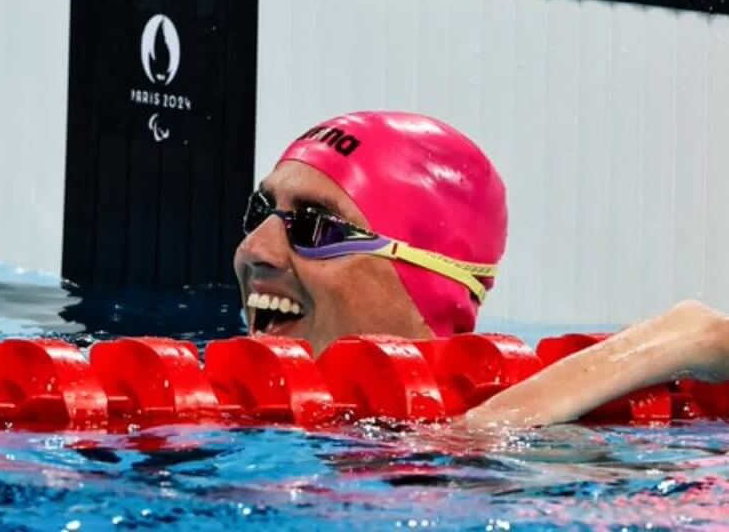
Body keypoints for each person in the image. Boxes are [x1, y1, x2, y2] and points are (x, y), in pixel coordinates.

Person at [233, 111, 729, 427]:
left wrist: (491, 427)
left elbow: (709, 336)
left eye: (315, 226)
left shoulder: (553, 454)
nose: (255, 248)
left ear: (429, 279)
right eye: (261, 212)